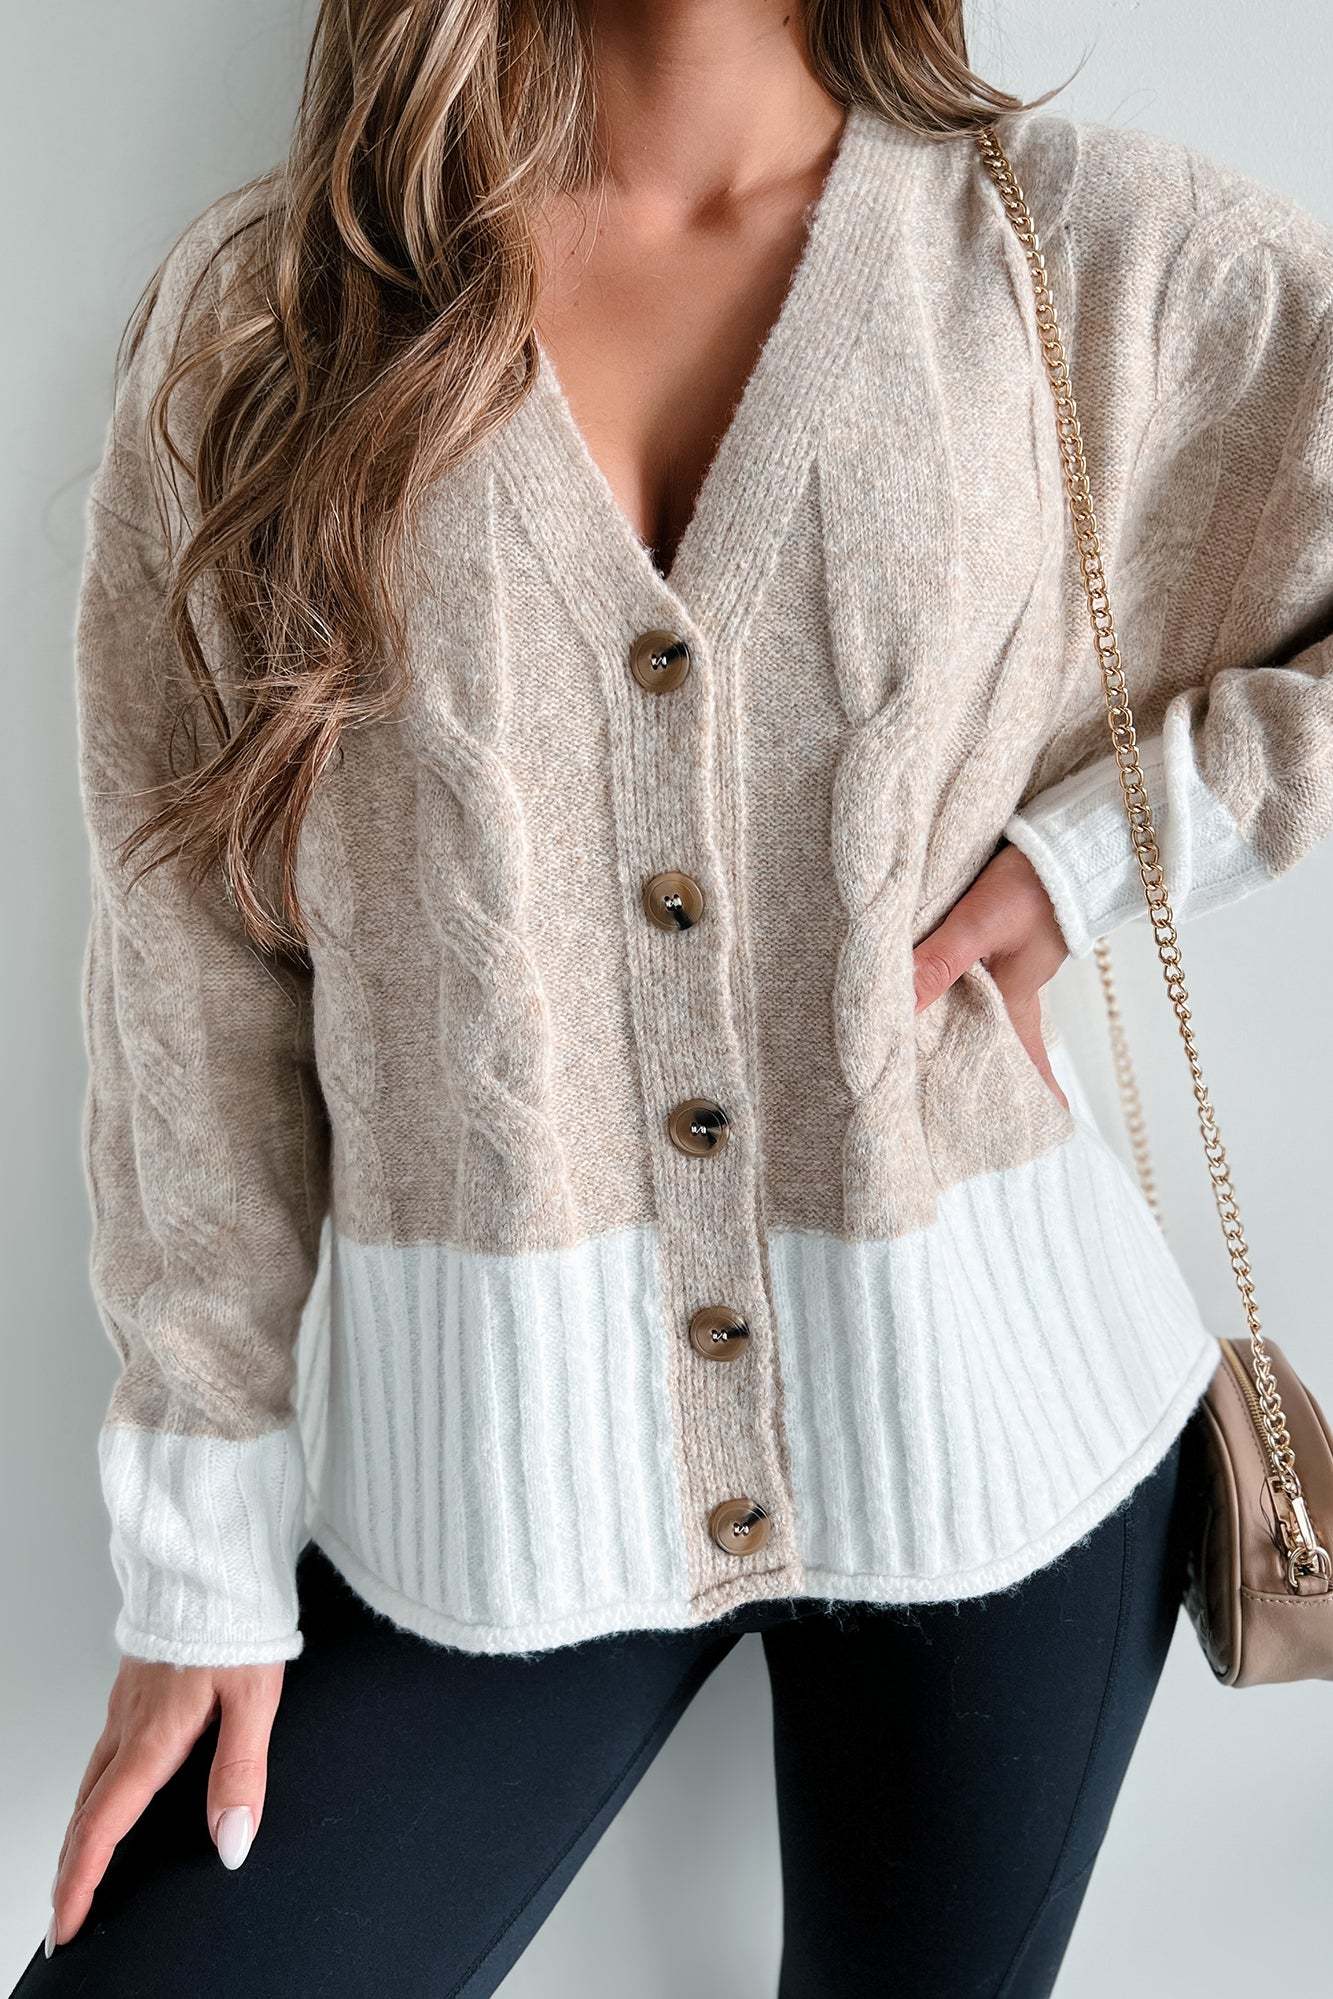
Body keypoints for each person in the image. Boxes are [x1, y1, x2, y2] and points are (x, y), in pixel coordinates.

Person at [16, 2, 1333, 1993]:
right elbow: (185, 959)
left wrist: (1099, 852)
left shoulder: (1075, 252)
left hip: (1015, 1452)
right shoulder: (275, 319)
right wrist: (201, 1552)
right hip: (488, 1503)